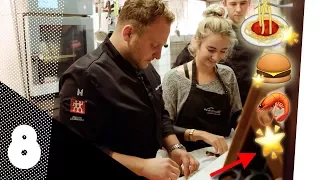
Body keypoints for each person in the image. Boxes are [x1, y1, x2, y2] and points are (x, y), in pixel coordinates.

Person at [58, 0, 199, 179]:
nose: (158, 55)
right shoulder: (83, 77)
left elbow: (160, 113)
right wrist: (142, 167)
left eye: (162, 46)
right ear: (128, 33)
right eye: (154, 45)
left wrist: (175, 147)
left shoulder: (144, 64)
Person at [162, 5, 242, 153]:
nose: (216, 57)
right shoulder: (174, 79)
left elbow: (236, 115)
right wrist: (201, 135)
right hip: (186, 157)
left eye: (223, 51)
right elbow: (165, 128)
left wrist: (247, 123)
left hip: (220, 154)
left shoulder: (227, 75)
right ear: (197, 42)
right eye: (211, 50)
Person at [172, 0, 264, 106]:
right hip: (210, 102)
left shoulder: (256, 37)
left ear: (249, 3)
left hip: (244, 103)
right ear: (224, 3)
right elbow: (179, 68)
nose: (238, 9)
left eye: (242, 3)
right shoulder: (214, 29)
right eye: (233, 4)